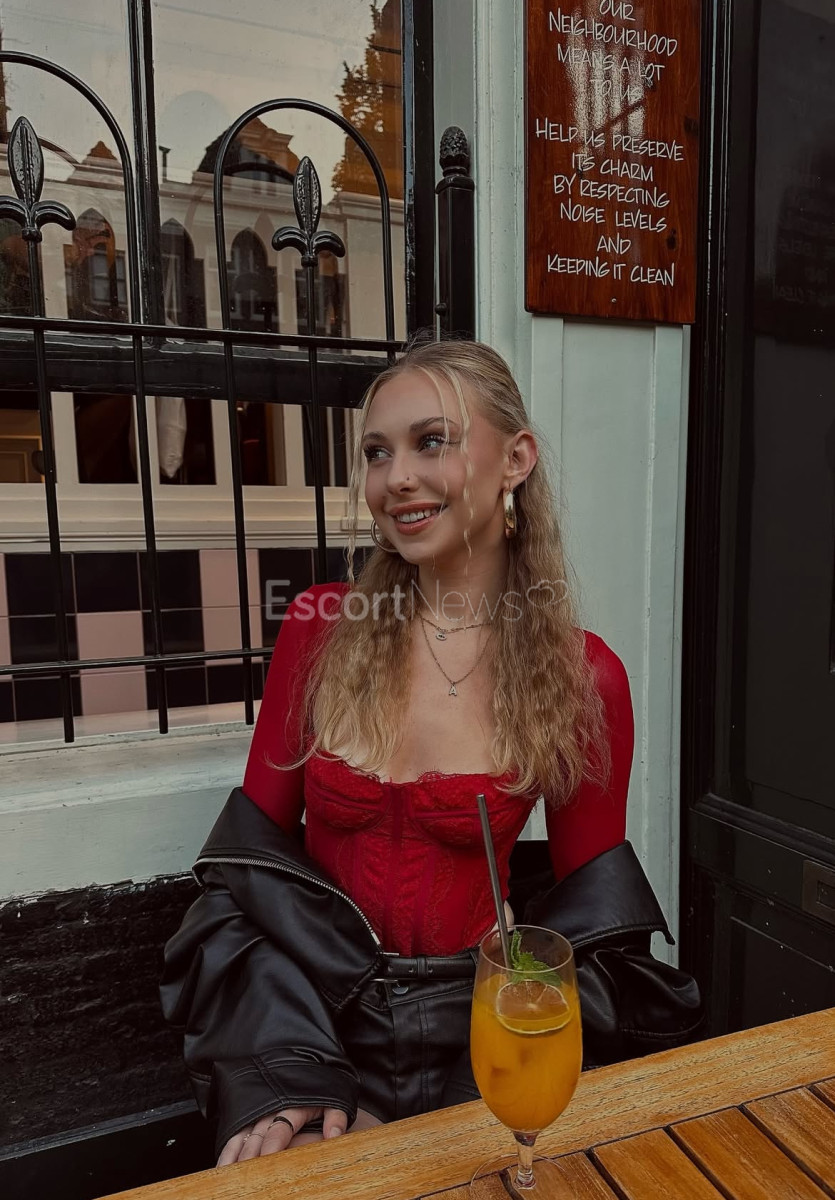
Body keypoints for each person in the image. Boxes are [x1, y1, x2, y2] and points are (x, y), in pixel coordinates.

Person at [161, 339, 702, 1166]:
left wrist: (486, 1079)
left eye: (431, 442)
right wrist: (284, 1067)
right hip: (310, 1015)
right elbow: (247, 879)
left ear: (515, 459)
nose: (396, 479)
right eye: (376, 453)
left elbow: (593, 931)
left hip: (476, 1030)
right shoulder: (319, 631)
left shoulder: (581, 678)